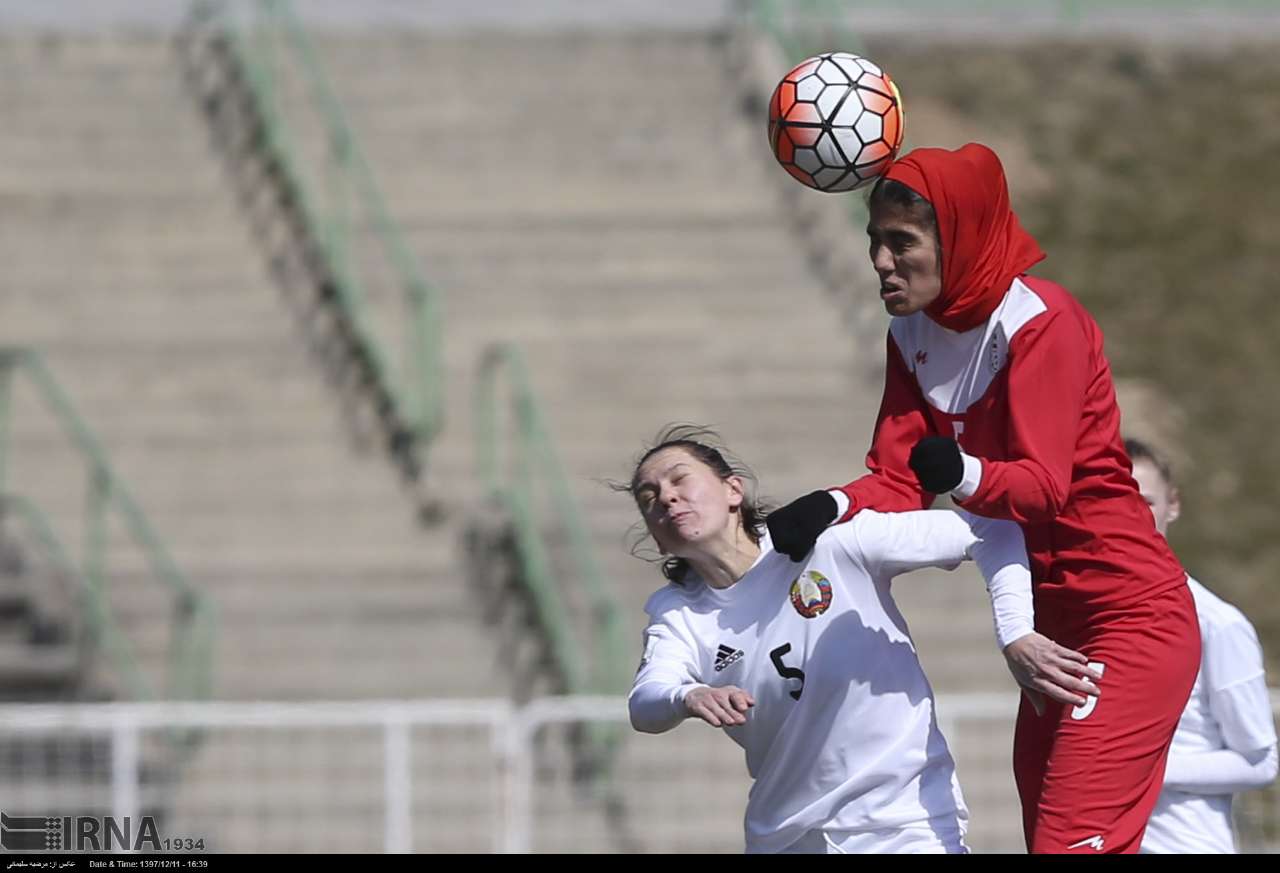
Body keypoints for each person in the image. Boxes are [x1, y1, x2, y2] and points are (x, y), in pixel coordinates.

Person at [765, 143, 1199, 853]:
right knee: (1055, 841)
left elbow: (1042, 486)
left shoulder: (1042, 321)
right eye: (874, 242)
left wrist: (960, 472)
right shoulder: (909, 332)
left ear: (959, 236)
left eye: (901, 243)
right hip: (1052, 633)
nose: (880, 262)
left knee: (1067, 843)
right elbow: (899, 479)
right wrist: (833, 506)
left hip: (1131, 619)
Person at [623, 426, 1093, 854]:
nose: (665, 497)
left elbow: (990, 530)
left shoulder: (829, 543)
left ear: (733, 490)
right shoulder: (678, 611)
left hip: (901, 827)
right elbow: (646, 702)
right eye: (649, 496)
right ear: (657, 540)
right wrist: (690, 695)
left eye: (679, 480)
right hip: (784, 838)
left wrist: (1016, 633)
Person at [1125, 438, 1278, 854]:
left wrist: (1140, 770)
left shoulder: (1217, 623)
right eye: (1116, 501)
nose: (1132, 516)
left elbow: (1260, 760)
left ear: (1173, 504)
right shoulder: (1075, 618)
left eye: (1146, 501)